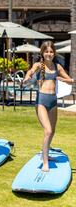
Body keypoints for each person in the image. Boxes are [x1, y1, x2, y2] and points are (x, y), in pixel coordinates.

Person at [22, 41, 75, 172]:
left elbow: (71, 80)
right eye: (46, 51)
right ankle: (45, 161)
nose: (49, 54)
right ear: (42, 53)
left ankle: (46, 153)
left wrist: (64, 80)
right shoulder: (39, 65)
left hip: (53, 102)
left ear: (54, 53)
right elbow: (30, 71)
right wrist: (27, 77)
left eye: (51, 51)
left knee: (53, 131)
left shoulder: (58, 67)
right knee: (48, 131)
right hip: (41, 101)